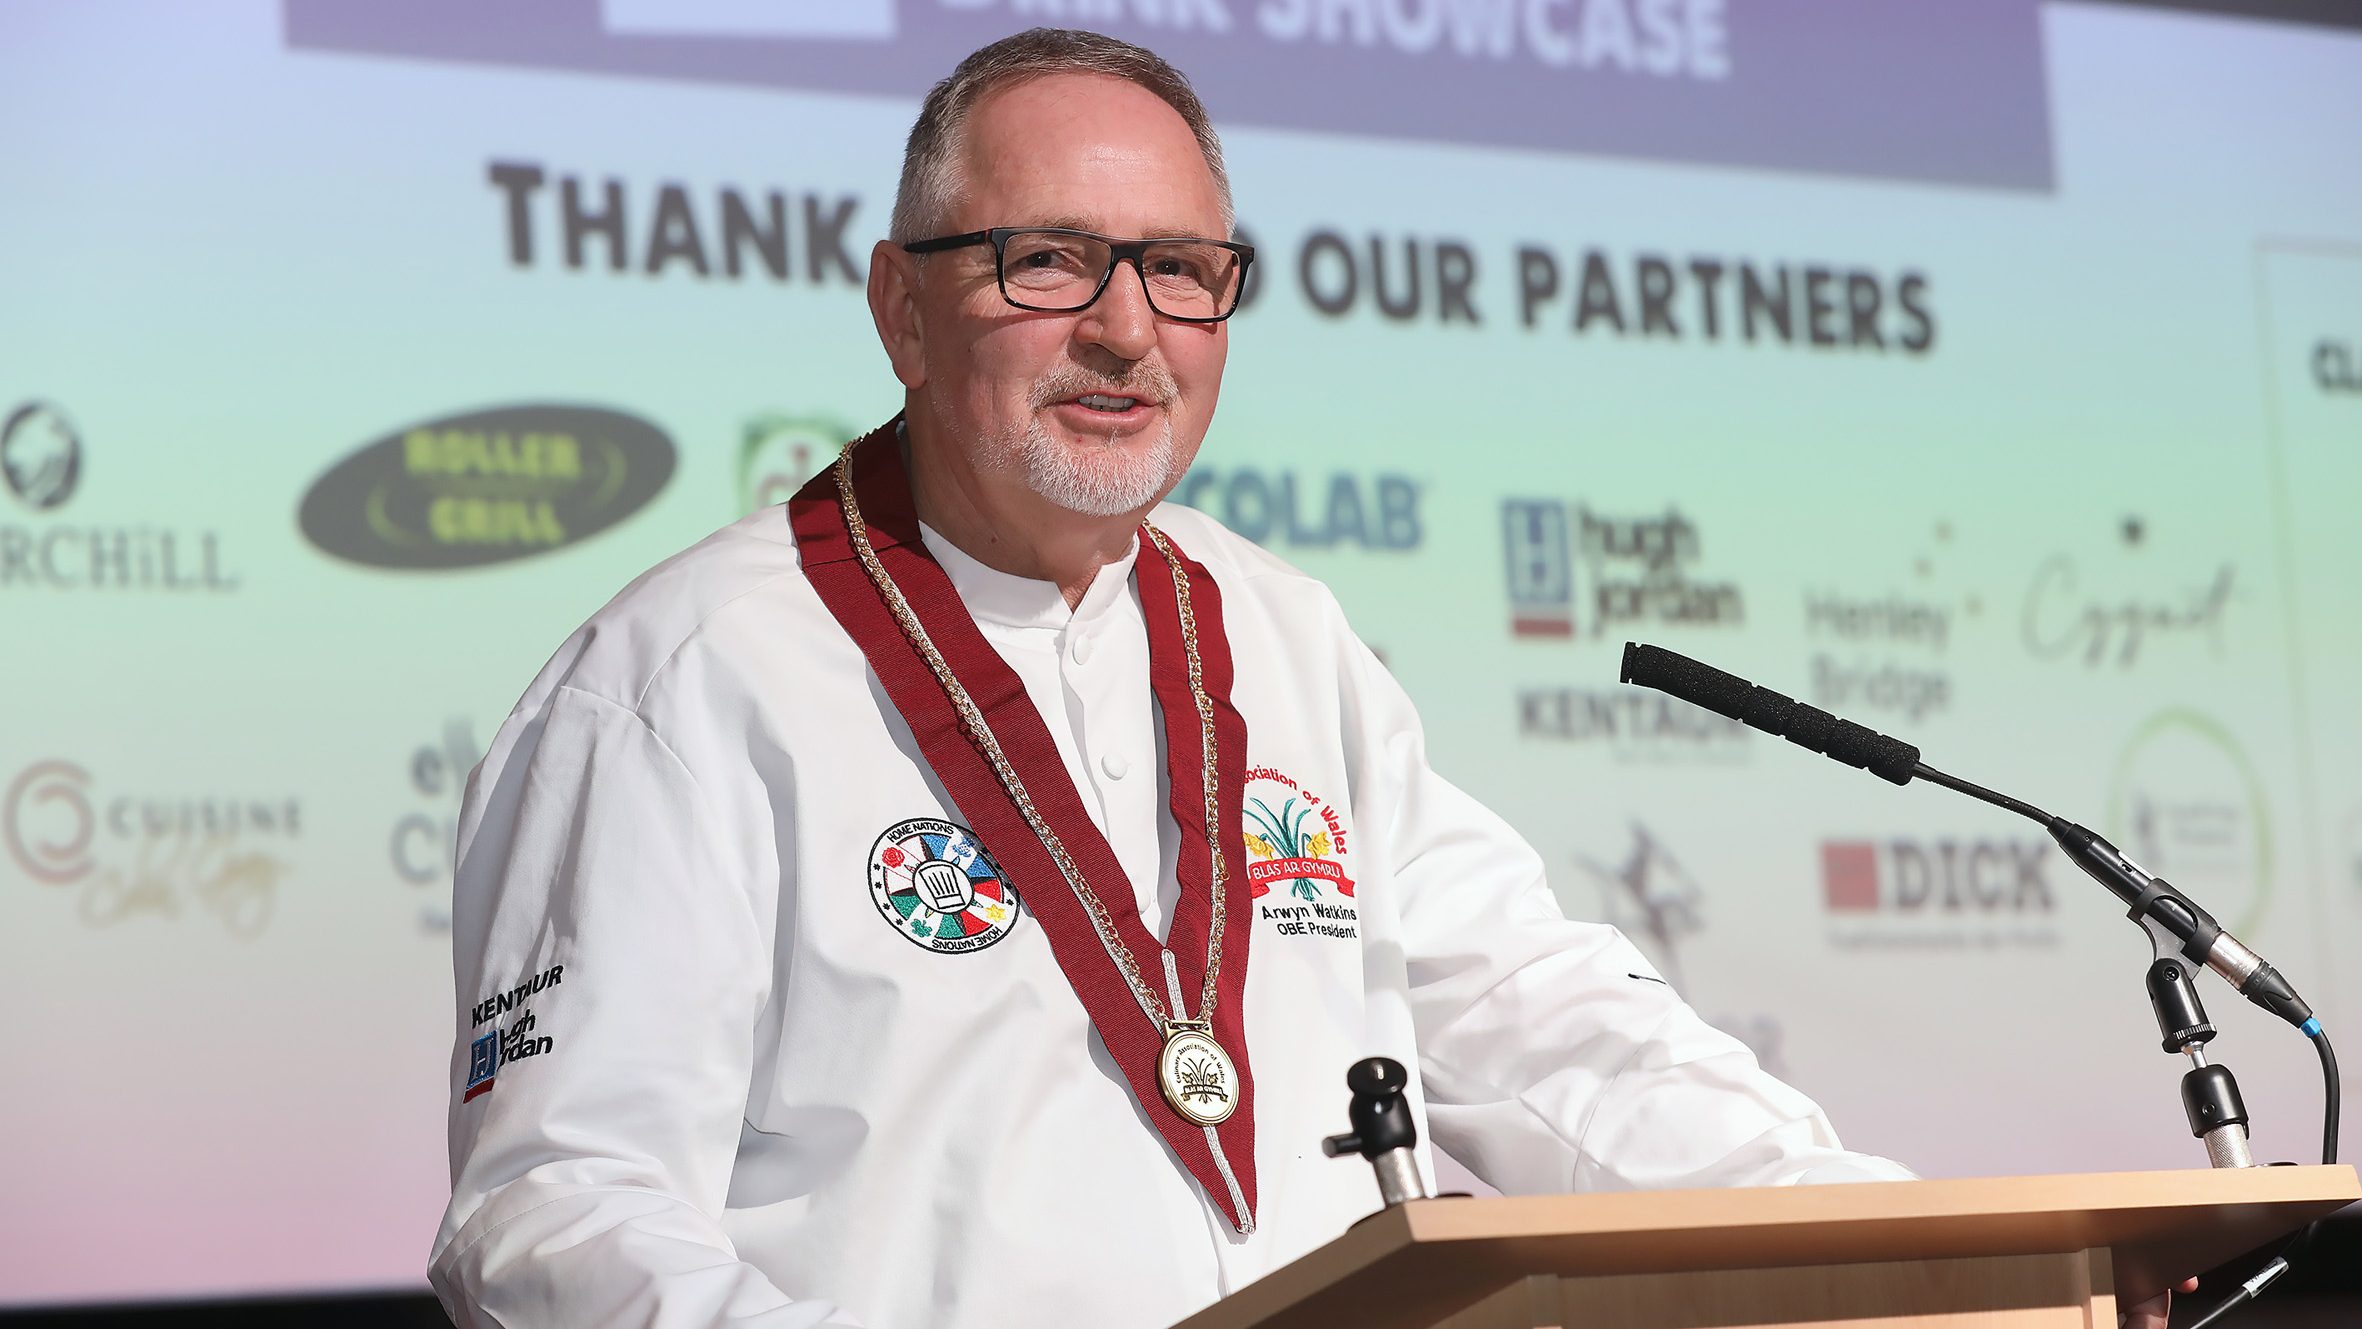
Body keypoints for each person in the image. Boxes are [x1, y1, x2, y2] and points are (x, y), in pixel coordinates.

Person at [429, 28, 2182, 1329]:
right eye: (1050, 260)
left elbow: (1540, 1028)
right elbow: (562, 1213)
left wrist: (1912, 1243)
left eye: (1183, 273)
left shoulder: (1277, 633)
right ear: (900, 305)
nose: (1126, 328)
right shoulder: (680, 679)